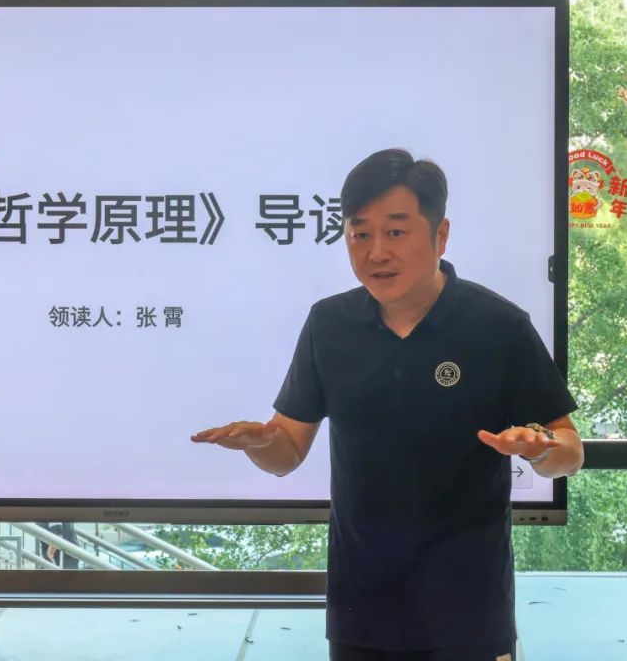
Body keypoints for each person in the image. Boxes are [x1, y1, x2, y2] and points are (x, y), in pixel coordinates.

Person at [191, 148, 583, 660]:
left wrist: (540, 447)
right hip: (362, 610)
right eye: (360, 235)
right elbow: (286, 453)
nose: (376, 252)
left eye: (396, 232)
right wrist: (260, 442)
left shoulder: (499, 326)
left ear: (440, 236)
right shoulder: (329, 325)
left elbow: (569, 451)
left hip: (468, 610)